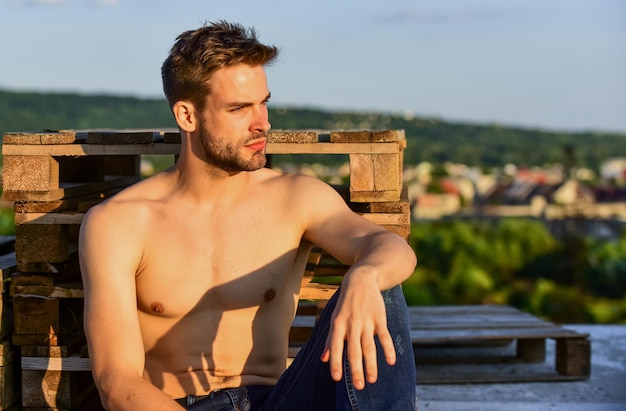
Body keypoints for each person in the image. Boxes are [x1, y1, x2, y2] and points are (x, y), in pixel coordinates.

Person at [79, 20, 417, 411]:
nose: (263, 123)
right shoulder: (119, 223)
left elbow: (391, 248)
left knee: (381, 285)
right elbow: (116, 383)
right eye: (239, 108)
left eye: (264, 102)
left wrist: (365, 275)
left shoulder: (295, 198)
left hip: (278, 400)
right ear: (187, 116)